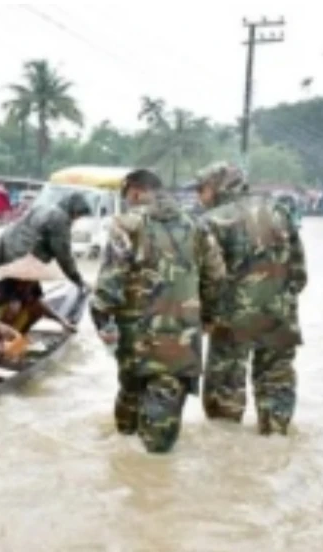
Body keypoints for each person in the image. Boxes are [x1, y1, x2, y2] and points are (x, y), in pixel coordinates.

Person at [90, 169, 225, 454]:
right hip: (182, 339)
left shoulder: (125, 224)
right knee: (160, 439)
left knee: (128, 409)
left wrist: (102, 322)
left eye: (126, 195)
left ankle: (125, 481)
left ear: (136, 191)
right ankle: (154, 486)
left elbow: (108, 284)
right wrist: (209, 318)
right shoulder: (198, 226)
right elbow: (216, 278)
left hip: (135, 339)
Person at [195, 162, 307, 435]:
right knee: (276, 382)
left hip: (232, 321)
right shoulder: (280, 211)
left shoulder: (211, 222)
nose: (199, 196)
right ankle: (275, 444)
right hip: (280, 317)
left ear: (219, 186)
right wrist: (282, 301)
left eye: (203, 189)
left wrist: (207, 317)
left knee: (224, 393)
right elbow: (299, 272)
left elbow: (209, 279)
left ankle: (229, 461)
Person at [0, 192, 91, 334]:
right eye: (78, 215)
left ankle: (15, 335)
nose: (76, 219)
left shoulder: (44, 207)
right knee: (14, 305)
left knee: (27, 301)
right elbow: (63, 254)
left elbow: (38, 302)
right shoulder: (60, 217)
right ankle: (4, 337)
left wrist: (61, 321)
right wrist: (77, 279)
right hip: (23, 256)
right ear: (74, 210)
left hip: (7, 248)